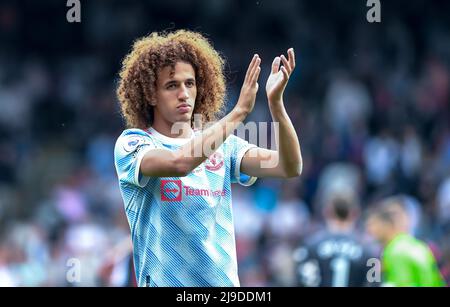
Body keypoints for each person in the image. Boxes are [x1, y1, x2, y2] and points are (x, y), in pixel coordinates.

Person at [114, 30, 302, 287]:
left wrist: (276, 104)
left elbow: (289, 166)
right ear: (150, 94)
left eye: (189, 83)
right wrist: (239, 113)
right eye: (172, 85)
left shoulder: (222, 144)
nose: (184, 94)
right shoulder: (133, 143)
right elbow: (178, 164)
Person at [293, 191, 378, 287]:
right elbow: (375, 283)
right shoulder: (370, 250)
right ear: (355, 213)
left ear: (327, 211)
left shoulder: (310, 246)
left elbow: (303, 282)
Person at [365, 196, 446, 287]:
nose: (370, 230)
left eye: (375, 224)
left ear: (387, 224)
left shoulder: (395, 251)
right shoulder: (419, 246)